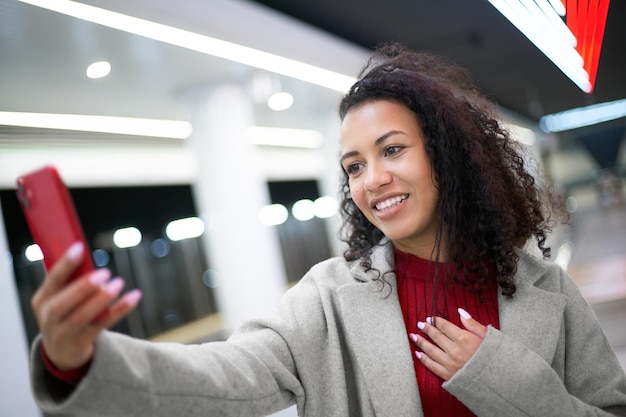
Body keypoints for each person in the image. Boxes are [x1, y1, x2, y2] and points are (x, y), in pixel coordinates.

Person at [29, 43, 626, 417]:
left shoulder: (547, 288)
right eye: (354, 166)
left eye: (392, 150)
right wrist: (79, 361)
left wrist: (507, 383)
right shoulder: (326, 300)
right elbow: (227, 380)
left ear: (446, 157)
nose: (372, 180)